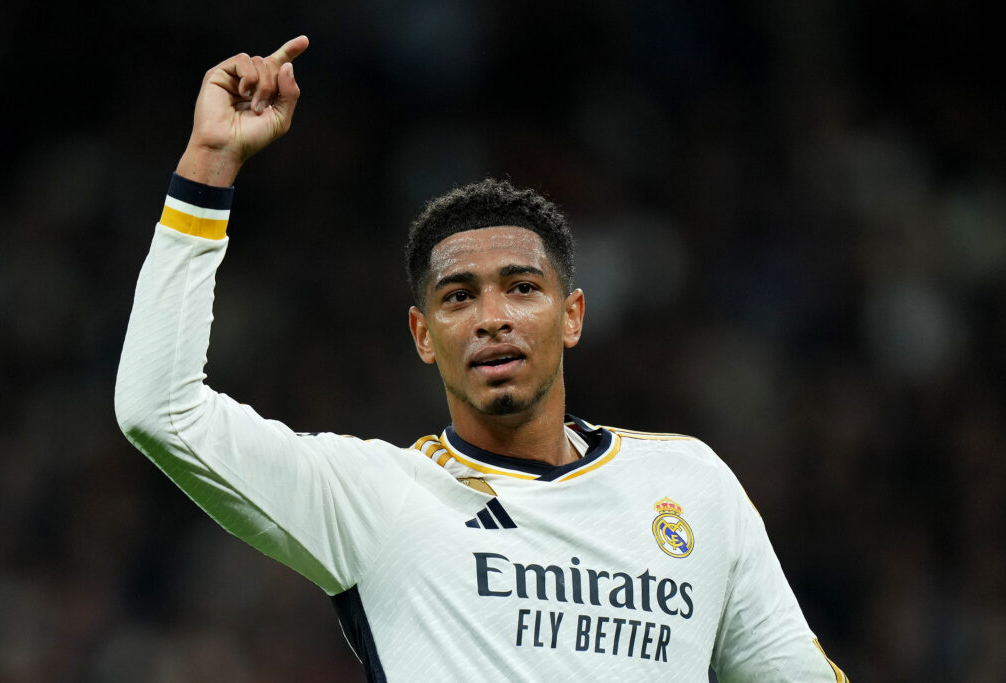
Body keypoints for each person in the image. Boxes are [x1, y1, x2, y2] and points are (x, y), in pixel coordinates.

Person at [115, 36, 847, 682]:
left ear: (572, 316)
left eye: (522, 288)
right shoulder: (374, 498)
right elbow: (161, 410)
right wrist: (209, 163)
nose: (492, 317)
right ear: (423, 333)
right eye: (459, 296)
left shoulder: (693, 487)